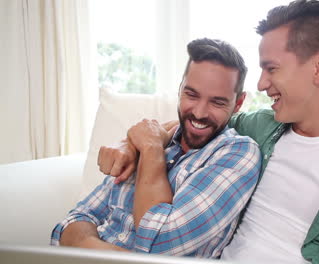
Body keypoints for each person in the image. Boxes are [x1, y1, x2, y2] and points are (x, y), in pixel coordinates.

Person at [98, 1, 319, 263]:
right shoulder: (259, 128)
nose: (261, 84)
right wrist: (131, 143)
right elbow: (195, 125)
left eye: (272, 68)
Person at [50, 38, 261, 258]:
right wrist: (87, 244)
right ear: (180, 89)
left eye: (217, 102)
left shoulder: (238, 154)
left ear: (238, 103)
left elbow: (159, 243)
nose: (199, 113)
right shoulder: (150, 139)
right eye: (191, 94)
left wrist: (151, 150)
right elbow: (72, 222)